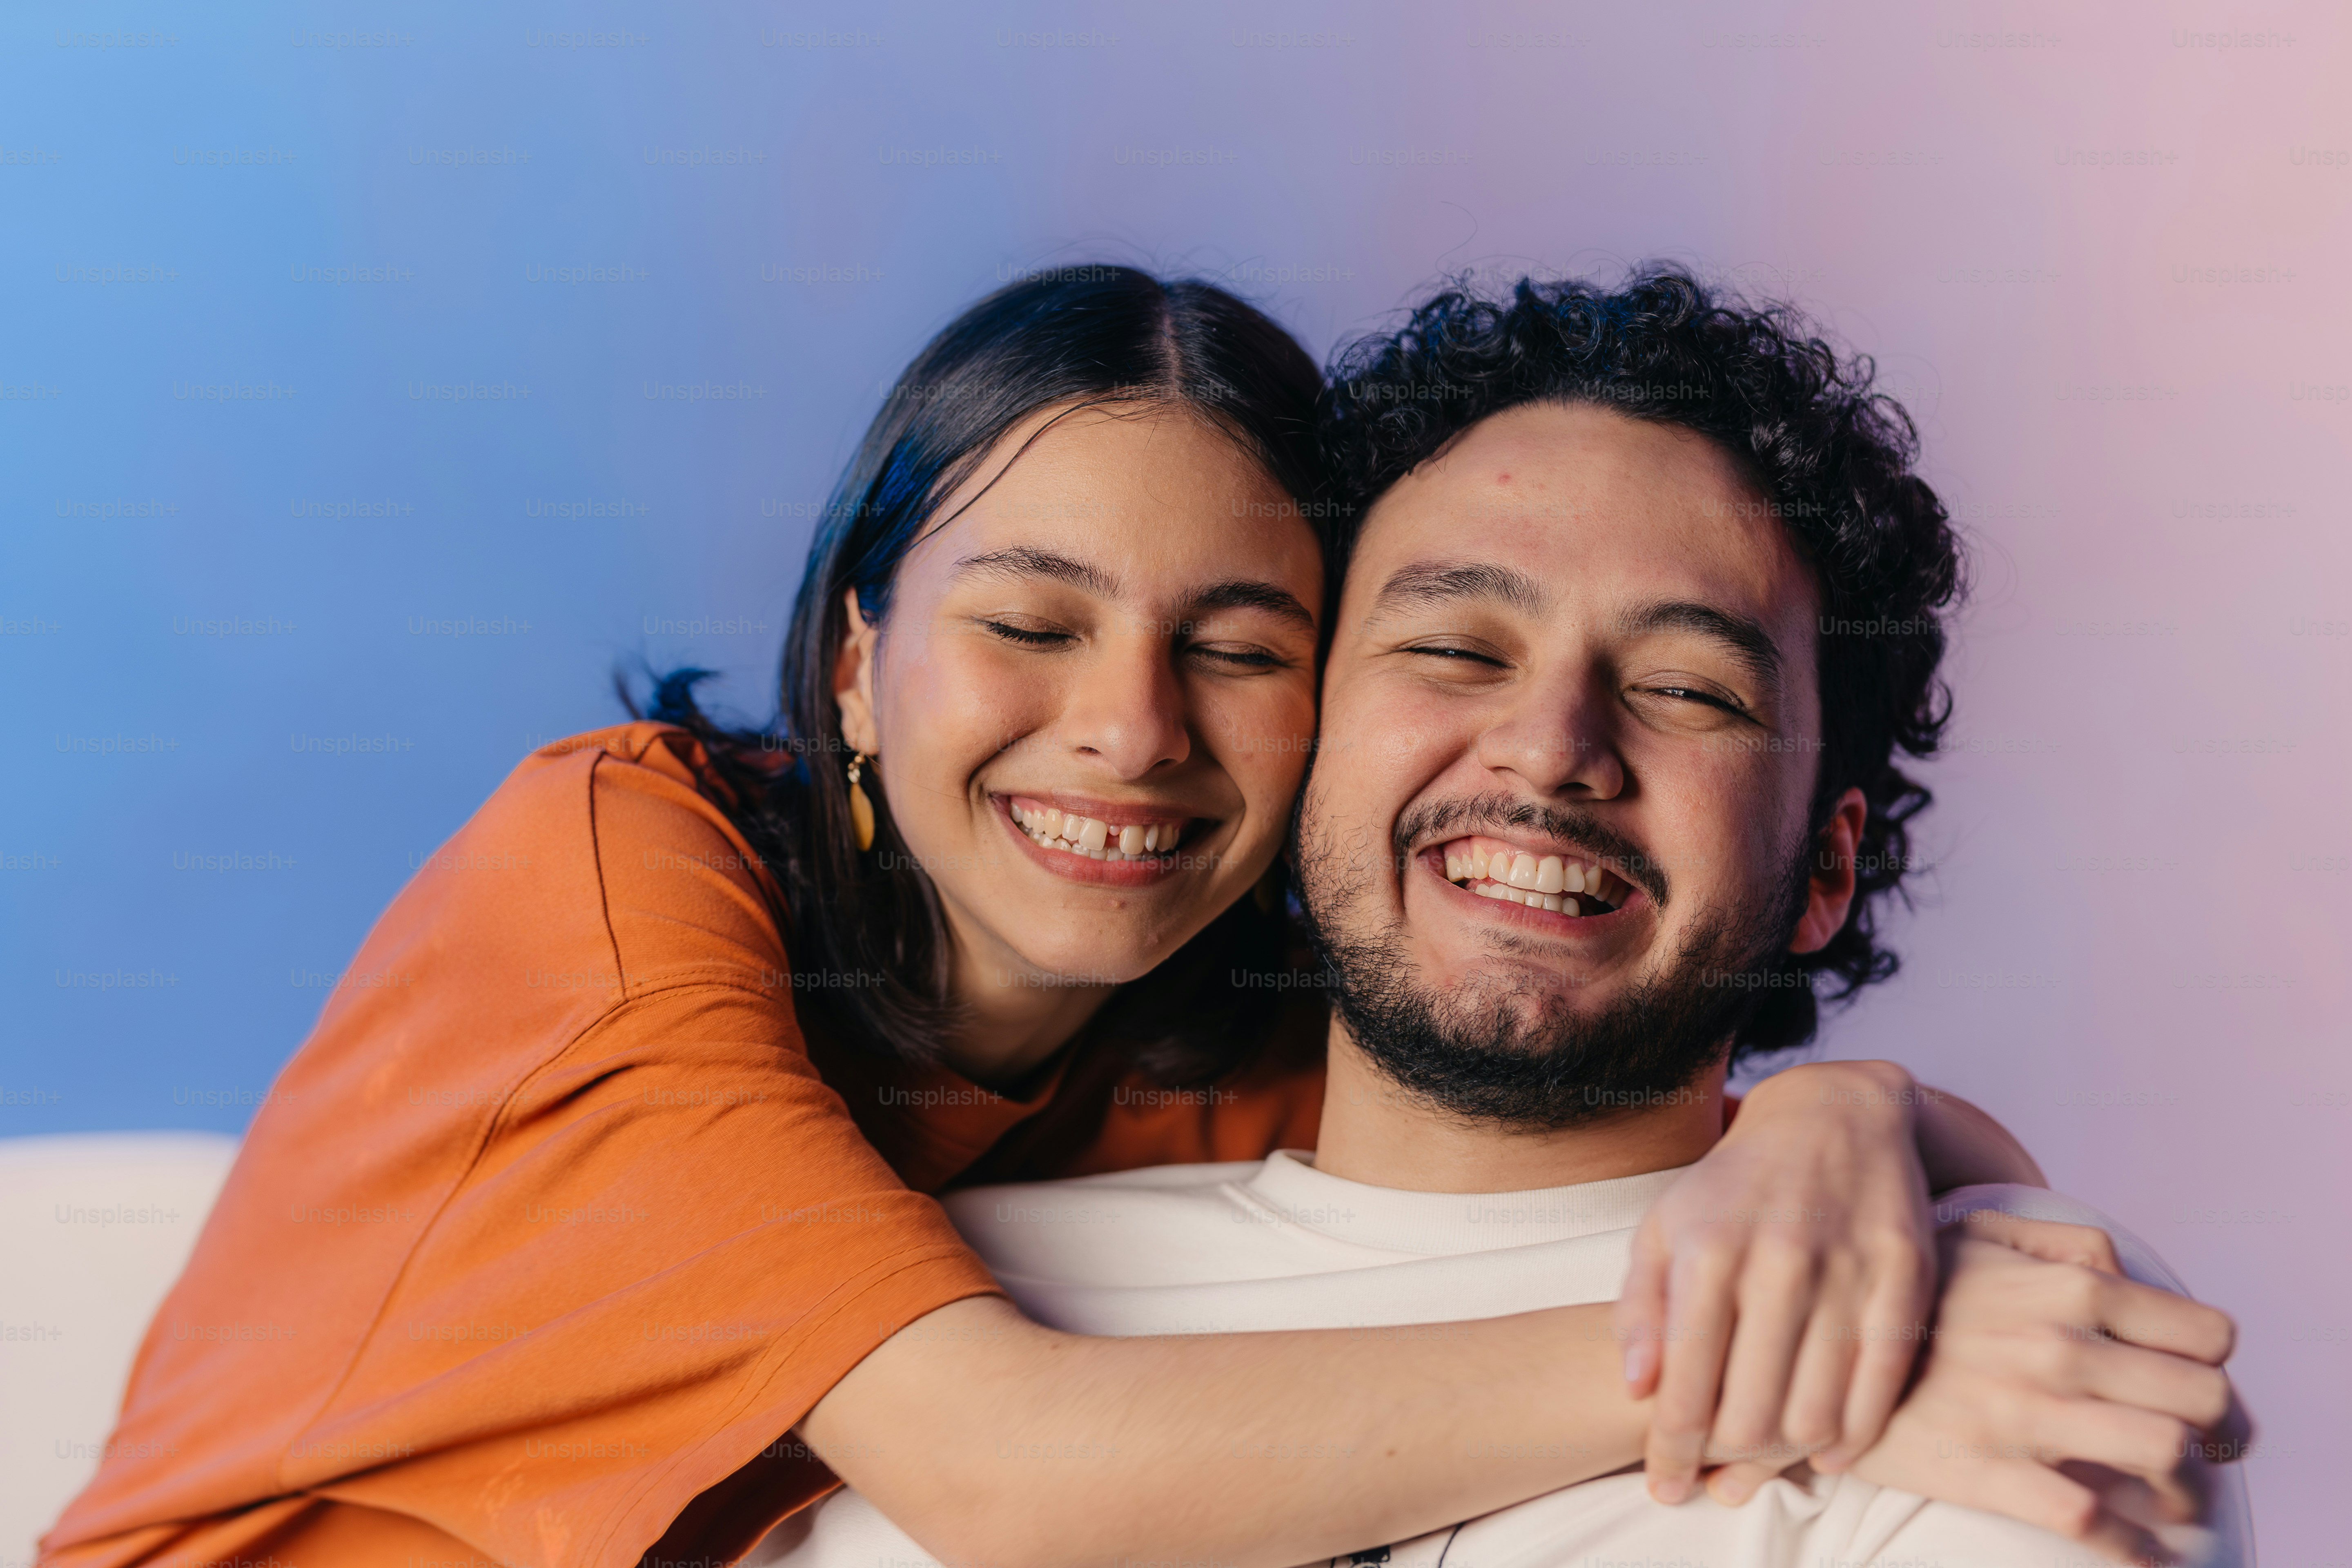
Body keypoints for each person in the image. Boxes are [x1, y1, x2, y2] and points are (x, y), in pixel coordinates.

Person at [42, 270, 2042, 1568]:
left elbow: (1582, 1089)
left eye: (1241, 646)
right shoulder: (621, 886)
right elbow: (1012, 1475)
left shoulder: (1226, 1025)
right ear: (852, 663)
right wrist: (1818, 1368)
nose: (1126, 733)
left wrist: (1852, 1124)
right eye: (1027, 622)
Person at [779, 270, 2250, 1568]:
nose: (1552, 747)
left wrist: (1864, 1121)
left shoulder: (2009, 1309)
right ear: (1297, 751)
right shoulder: (923, 1307)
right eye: (1451, 647)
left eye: (1688, 688)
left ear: (1824, 871)